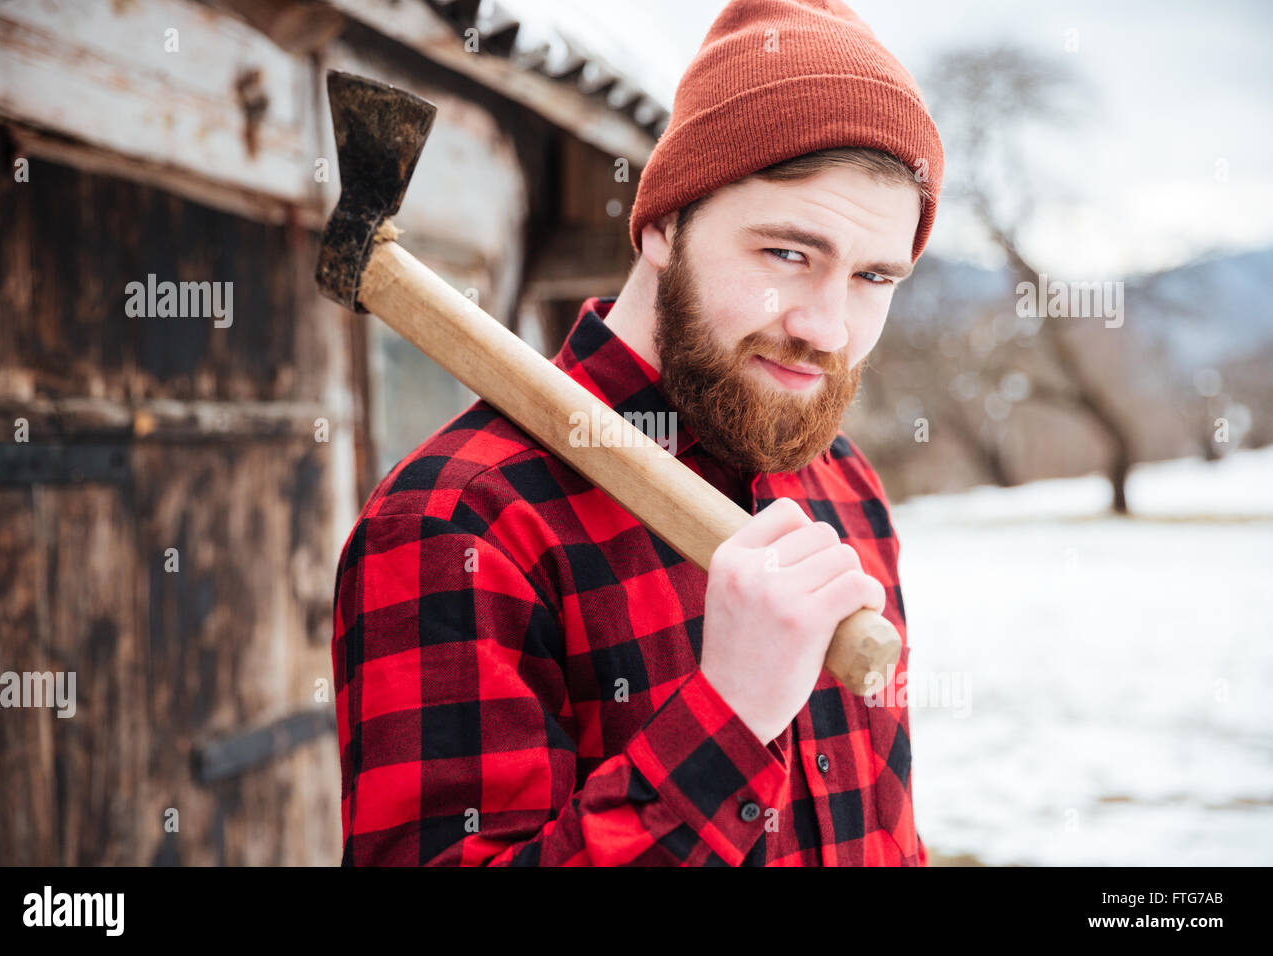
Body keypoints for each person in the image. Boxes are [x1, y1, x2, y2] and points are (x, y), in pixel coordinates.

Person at [332, 0, 944, 865]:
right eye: (786, 254)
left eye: (875, 275)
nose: (827, 327)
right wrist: (727, 719)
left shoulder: (841, 482)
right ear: (663, 222)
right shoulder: (460, 523)